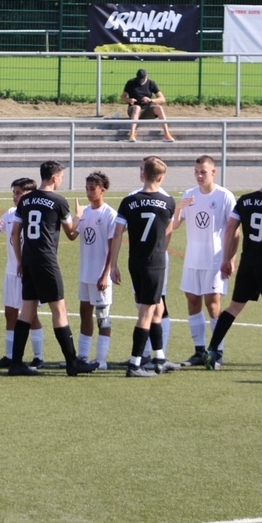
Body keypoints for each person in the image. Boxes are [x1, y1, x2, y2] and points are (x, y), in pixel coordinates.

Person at [204, 162, 262, 371]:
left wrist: (227, 258)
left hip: (248, 262)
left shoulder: (245, 200)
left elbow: (231, 228)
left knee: (234, 307)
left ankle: (212, 349)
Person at [7, 160, 97, 376]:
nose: (61, 181)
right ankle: (72, 362)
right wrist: (79, 215)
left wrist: (20, 261)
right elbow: (71, 232)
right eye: (61, 177)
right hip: (46, 261)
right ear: (55, 177)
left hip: (28, 260)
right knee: (59, 310)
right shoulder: (58, 201)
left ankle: (16, 362)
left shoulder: (26, 200)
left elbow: (15, 233)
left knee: (27, 310)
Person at [106, 157, 178, 377]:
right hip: (155, 263)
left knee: (156, 308)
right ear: (161, 178)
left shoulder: (129, 201)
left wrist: (113, 264)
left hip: (135, 262)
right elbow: (168, 232)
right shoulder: (168, 202)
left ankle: (159, 358)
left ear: (142, 174)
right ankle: (135, 364)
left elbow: (117, 233)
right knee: (147, 312)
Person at [172, 155, 237, 367]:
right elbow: (174, 225)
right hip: (192, 258)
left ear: (213, 172)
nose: (199, 176)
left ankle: (217, 351)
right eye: (197, 172)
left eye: (203, 172)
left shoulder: (225, 196)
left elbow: (236, 231)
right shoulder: (189, 195)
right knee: (192, 300)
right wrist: (178, 209)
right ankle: (199, 351)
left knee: (213, 303)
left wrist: (231, 258)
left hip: (215, 259)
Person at [0, 177, 46, 369]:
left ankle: (39, 357)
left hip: (28, 273)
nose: (15, 196)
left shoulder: (35, 214)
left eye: (19, 193)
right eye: (14, 193)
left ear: (29, 194)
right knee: (10, 313)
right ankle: (10, 355)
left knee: (31, 315)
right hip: (11, 272)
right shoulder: (11, 213)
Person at [70, 171, 118, 371]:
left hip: (100, 275)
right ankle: (83, 356)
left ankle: (101, 359)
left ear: (102, 190)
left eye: (92, 189)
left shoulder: (110, 214)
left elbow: (113, 247)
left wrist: (106, 274)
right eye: (87, 189)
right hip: (86, 272)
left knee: (103, 317)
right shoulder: (85, 212)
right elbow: (72, 235)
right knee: (85, 313)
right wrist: (77, 216)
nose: (89, 193)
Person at [122, 68, 174, 143]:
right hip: (134, 110)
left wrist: (151, 100)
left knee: (159, 108)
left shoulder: (151, 83)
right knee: (137, 108)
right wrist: (129, 100)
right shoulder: (130, 83)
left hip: (147, 109)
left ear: (147, 76)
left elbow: (162, 99)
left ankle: (167, 134)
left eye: (142, 80)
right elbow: (123, 97)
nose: (141, 82)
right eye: (139, 79)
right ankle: (132, 134)